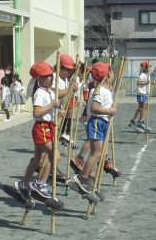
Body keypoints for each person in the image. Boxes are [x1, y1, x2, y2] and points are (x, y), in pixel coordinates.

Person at [14, 62, 61, 201]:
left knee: (36, 160)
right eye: (47, 77)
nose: (51, 79)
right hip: (41, 128)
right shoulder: (39, 92)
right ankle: (40, 183)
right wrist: (52, 105)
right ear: (40, 79)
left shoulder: (50, 92)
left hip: (48, 127)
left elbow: (49, 110)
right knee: (55, 156)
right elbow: (37, 112)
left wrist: (58, 112)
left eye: (51, 76)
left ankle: (24, 182)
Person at [68, 62, 117, 193]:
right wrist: (109, 111)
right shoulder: (100, 90)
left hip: (101, 122)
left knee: (97, 153)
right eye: (111, 72)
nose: (113, 75)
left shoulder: (104, 90)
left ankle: (87, 176)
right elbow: (94, 108)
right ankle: (82, 177)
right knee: (96, 153)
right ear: (107, 75)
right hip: (96, 121)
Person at [129, 61, 152, 133]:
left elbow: (148, 82)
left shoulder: (147, 75)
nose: (150, 68)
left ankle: (134, 120)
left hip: (144, 93)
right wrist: (146, 82)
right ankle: (141, 121)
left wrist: (151, 82)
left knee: (141, 107)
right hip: (141, 93)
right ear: (145, 68)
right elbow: (138, 83)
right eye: (149, 67)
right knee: (143, 107)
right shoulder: (142, 75)